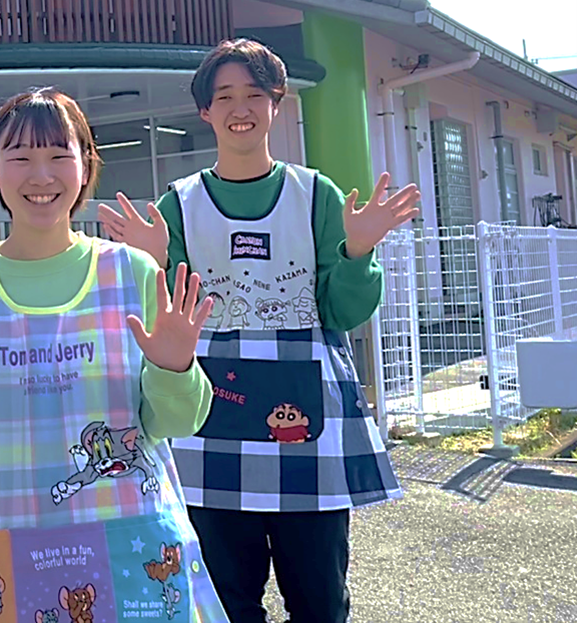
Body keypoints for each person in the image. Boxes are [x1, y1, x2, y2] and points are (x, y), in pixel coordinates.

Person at [99, 38, 418, 623]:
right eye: (224, 96)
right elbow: (165, 317)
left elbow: (343, 312)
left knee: (320, 599)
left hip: (307, 430)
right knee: (223, 601)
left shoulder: (315, 195)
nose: (239, 108)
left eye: (254, 93)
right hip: (209, 424)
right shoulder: (180, 204)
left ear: (277, 102)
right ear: (205, 110)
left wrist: (357, 252)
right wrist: (154, 263)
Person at [0, 88, 229, 623]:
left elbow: (176, 423)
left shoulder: (132, 275)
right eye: (21, 157)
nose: (41, 175)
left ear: (86, 165)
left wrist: (174, 369)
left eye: (58, 155)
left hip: (126, 540)